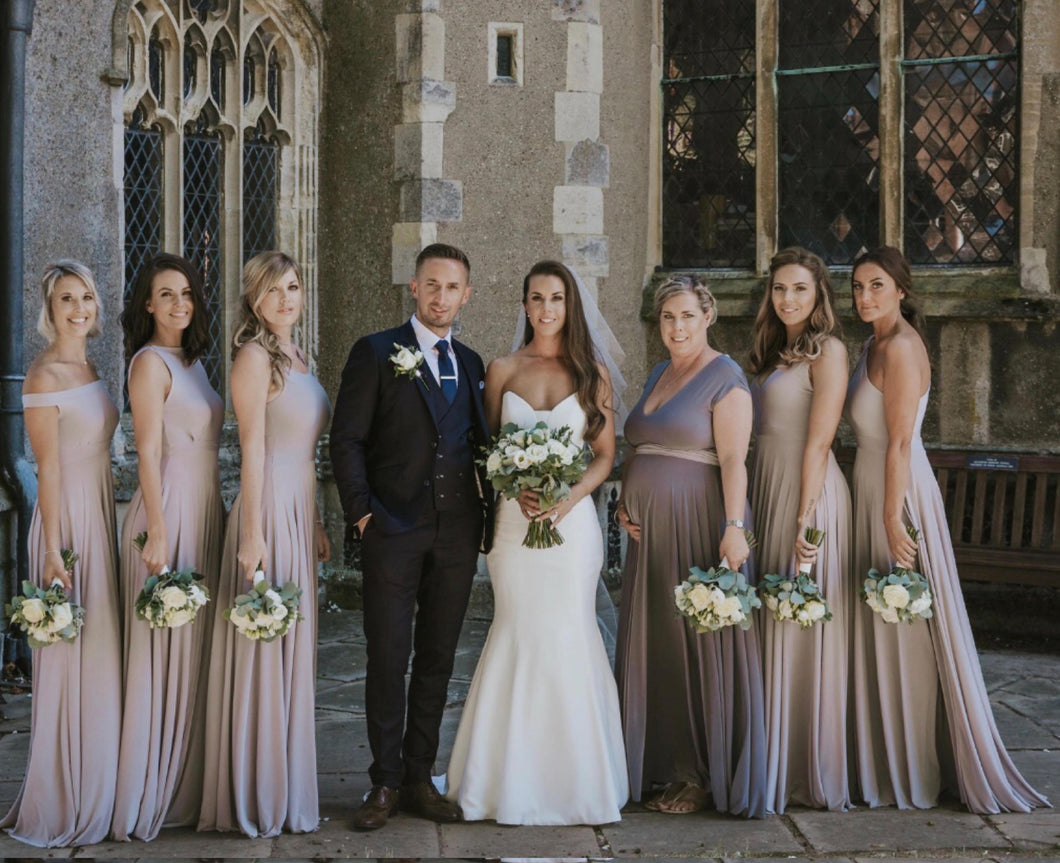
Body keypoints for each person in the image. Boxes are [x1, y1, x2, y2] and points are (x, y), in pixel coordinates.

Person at [847, 246, 1049, 813]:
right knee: (880, 622)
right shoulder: (872, 343)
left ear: (902, 290)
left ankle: (916, 763)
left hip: (898, 489)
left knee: (905, 623)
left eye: (877, 285)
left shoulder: (904, 348)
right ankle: (882, 751)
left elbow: (902, 442)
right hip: (870, 482)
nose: (864, 296)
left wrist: (892, 516)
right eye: (858, 286)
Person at [445, 260, 629, 825]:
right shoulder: (501, 369)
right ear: (523, 306)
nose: (547, 308)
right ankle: (502, 776)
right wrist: (514, 486)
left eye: (556, 298)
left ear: (570, 306)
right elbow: (488, 448)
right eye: (536, 298)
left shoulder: (592, 372)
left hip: (571, 527)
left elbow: (604, 456)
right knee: (517, 627)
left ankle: (579, 779)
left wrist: (567, 498)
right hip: (513, 524)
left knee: (569, 629)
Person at [330, 243, 493, 831]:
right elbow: (345, 440)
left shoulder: (473, 364)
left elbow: (479, 446)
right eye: (431, 285)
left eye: (452, 287)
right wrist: (363, 515)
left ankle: (421, 777)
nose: (441, 296)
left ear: (466, 294)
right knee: (388, 655)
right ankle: (385, 782)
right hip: (392, 530)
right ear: (414, 288)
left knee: (438, 658)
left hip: (456, 533)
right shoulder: (377, 353)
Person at [615, 275, 767, 819]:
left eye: (686, 316)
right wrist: (626, 502)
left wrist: (732, 526)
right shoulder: (660, 371)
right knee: (659, 645)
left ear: (708, 317)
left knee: (694, 648)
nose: (676, 327)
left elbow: (732, 460)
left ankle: (701, 774)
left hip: (700, 527)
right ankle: (662, 762)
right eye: (666, 318)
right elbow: (643, 443)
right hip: (651, 538)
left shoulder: (725, 378)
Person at [198, 252, 331, 837]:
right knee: (263, 642)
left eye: (294, 287)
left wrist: (321, 521)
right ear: (253, 298)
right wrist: (251, 531)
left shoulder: (298, 355)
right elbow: (251, 448)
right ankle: (256, 787)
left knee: (293, 645)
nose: (285, 299)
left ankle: (286, 779)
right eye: (273, 290)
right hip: (268, 506)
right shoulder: (253, 358)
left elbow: (309, 448)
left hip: (301, 507)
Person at [2, 262, 122, 846]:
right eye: (67, 299)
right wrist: (52, 549)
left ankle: (101, 778)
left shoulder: (91, 367)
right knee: (71, 662)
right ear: (49, 311)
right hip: (66, 524)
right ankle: (66, 794)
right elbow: (45, 468)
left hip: (99, 512)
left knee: (101, 653)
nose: (80, 308)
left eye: (87, 297)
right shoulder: (44, 375)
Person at [111, 254, 224, 840]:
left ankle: (184, 786)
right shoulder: (149, 364)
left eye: (187, 293)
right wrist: (158, 529)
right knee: (163, 655)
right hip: (169, 512)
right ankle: (149, 787)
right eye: (166, 294)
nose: (179, 303)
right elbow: (146, 452)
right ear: (147, 304)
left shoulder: (196, 362)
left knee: (197, 654)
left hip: (206, 510)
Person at [747, 247, 852, 814]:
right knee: (769, 622)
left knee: (797, 623)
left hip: (806, 494)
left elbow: (819, 440)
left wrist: (805, 522)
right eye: (780, 289)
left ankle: (801, 764)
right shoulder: (775, 352)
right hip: (767, 488)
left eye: (800, 290)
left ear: (818, 297)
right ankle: (769, 752)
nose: (788, 299)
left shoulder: (828, 351)